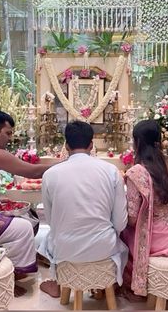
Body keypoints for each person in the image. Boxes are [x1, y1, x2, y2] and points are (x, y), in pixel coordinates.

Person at [38, 120, 128, 297]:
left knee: (48, 240)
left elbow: (51, 221)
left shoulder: (50, 174)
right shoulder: (111, 172)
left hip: (65, 249)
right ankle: (105, 285)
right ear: (91, 145)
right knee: (116, 237)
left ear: (66, 145)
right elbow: (120, 224)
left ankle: (58, 282)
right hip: (103, 248)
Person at [0, 111, 51, 296]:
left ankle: (11, 260)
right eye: (8, 133)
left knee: (31, 216)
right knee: (24, 227)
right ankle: (10, 277)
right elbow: (33, 172)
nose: (10, 138)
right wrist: (67, 164)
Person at [121, 120, 168, 297]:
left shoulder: (136, 173)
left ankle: (134, 287)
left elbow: (132, 219)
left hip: (152, 240)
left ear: (137, 142)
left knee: (119, 236)